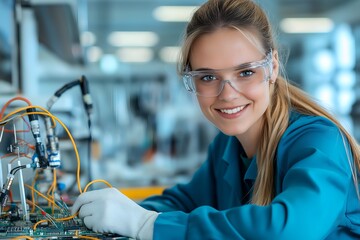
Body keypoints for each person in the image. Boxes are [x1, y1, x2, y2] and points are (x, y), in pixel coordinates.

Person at [71, 0, 360, 239]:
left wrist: (148, 225)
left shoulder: (320, 141)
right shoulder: (227, 146)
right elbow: (184, 202)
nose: (228, 94)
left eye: (245, 72)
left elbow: (288, 230)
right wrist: (122, 211)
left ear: (272, 67)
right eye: (208, 77)